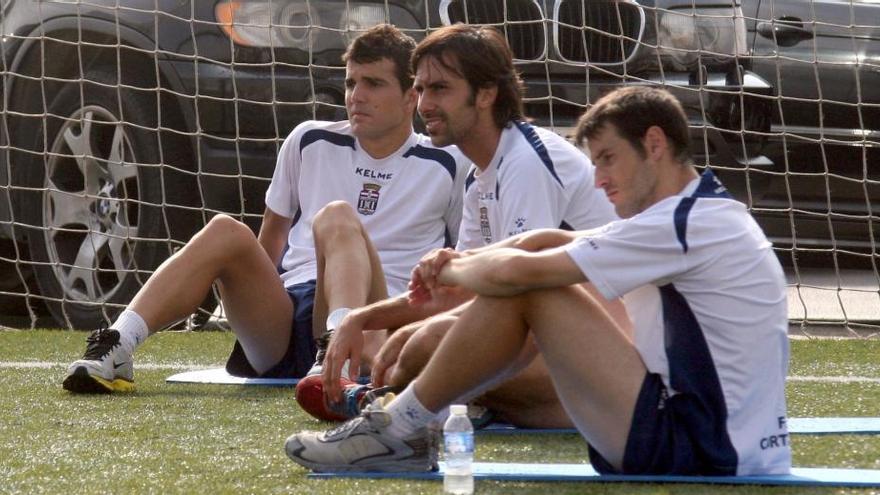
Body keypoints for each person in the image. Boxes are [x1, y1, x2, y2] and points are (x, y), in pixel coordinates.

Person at [285, 85, 792, 477]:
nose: (598, 180)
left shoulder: (684, 224)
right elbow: (545, 243)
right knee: (430, 336)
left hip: (700, 448)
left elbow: (517, 274)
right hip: (708, 440)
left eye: (608, 159)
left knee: (522, 294)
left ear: (654, 144)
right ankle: (408, 423)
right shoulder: (696, 214)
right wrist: (386, 306)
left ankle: (400, 429)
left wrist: (450, 267)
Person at [61, 24, 468, 394]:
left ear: (412, 95)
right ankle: (116, 345)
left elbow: (459, 262)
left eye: (374, 84)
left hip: (376, 321)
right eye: (350, 82)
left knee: (338, 217)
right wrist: (246, 301)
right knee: (224, 229)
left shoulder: (449, 162)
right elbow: (269, 242)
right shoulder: (309, 140)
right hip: (286, 319)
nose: (356, 96)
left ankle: (337, 358)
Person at [297, 24, 624, 428]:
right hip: (559, 346)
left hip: (609, 348)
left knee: (427, 344)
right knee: (419, 344)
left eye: (440, 89)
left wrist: (405, 330)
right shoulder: (477, 176)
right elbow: (455, 290)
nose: (424, 104)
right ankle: (415, 405)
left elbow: (514, 293)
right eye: (421, 90)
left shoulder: (525, 163)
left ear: (485, 94)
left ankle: (391, 412)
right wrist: (360, 319)